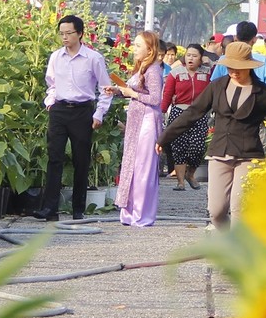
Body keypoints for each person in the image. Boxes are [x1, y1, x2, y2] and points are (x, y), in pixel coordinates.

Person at [159, 42, 266, 229]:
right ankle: (227, 237)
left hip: (248, 155)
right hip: (220, 152)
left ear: (249, 67)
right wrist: (164, 138)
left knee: (238, 209)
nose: (234, 72)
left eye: (239, 68)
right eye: (230, 68)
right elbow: (192, 113)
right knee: (216, 210)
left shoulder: (262, 92)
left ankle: (234, 249)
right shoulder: (217, 86)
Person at [36, 14, 114, 221]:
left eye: (69, 33)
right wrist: (50, 102)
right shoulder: (56, 57)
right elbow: (51, 83)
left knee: (81, 159)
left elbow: (105, 88)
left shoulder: (93, 58)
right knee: (54, 158)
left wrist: (99, 113)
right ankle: (49, 208)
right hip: (59, 110)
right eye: (61, 33)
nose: (65, 37)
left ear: (80, 34)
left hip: (82, 111)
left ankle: (78, 208)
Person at [108, 31, 164, 227]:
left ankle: (142, 214)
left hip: (147, 122)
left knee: (143, 169)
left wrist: (131, 93)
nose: (134, 49)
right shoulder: (141, 68)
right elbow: (136, 92)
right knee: (131, 164)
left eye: (139, 46)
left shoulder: (154, 70)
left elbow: (156, 99)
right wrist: (118, 90)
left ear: (150, 49)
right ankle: (130, 212)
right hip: (136, 121)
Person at [161, 44, 210, 191]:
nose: (191, 58)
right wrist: (162, 112)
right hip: (179, 113)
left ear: (201, 58)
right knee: (179, 147)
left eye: (195, 56)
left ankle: (191, 174)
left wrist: (210, 62)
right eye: (188, 55)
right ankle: (180, 182)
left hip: (199, 114)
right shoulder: (175, 73)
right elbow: (167, 95)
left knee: (198, 147)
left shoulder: (208, 73)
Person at [210, 21, 266, 88]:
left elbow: (213, 84)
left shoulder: (224, 60)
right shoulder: (262, 61)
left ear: (235, 38)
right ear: (254, 40)